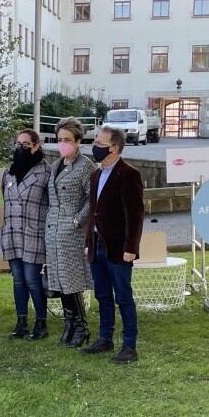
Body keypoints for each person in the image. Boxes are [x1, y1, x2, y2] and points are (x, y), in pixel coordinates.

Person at [81, 126, 145, 363]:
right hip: (98, 246)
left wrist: (131, 248)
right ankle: (105, 338)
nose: (95, 145)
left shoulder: (128, 174)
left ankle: (129, 346)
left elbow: (135, 215)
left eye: (100, 142)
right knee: (103, 295)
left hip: (118, 249)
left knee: (123, 297)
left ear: (114, 147)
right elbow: (93, 213)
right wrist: (89, 242)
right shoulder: (96, 175)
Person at [44, 118, 96, 347]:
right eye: (59, 140)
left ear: (78, 141)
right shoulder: (57, 165)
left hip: (71, 231)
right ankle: (69, 324)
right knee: (59, 280)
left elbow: (92, 198)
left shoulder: (85, 166)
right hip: (54, 229)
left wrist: (77, 220)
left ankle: (81, 326)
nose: (62, 144)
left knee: (71, 279)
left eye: (67, 140)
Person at [0, 128, 52, 339]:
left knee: (32, 279)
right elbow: (6, 197)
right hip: (12, 232)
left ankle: (41, 322)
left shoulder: (46, 171)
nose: (21, 147)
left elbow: (51, 203)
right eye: (18, 144)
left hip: (33, 233)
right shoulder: (9, 172)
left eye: (26, 144)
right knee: (18, 280)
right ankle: (21, 322)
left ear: (36, 146)